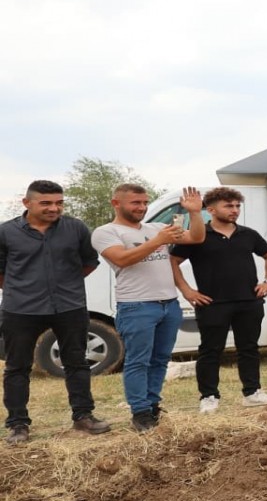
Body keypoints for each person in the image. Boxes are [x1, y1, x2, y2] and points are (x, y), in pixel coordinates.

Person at [1, 180, 111, 444]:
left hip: (69, 306)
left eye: (59, 203)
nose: (54, 208)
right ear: (27, 203)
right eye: (46, 203)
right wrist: (23, 288)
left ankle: (83, 416)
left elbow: (89, 263)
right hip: (21, 309)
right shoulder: (5, 233)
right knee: (17, 367)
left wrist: (67, 284)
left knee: (77, 362)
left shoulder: (75, 228)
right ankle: (18, 424)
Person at [93, 184, 206, 432]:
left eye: (144, 202)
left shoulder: (155, 228)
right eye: (135, 203)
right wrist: (158, 242)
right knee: (138, 361)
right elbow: (122, 259)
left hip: (168, 304)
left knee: (160, 359)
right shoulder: (106, 232)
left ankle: (153, 405)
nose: (142, 207)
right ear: (116, 203)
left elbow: (197, 237)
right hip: (136, 305)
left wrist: (195, 213)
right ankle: (140, 412)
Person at [170, 187, 267, 414]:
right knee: (210, 350)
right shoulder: (197, 235)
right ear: (211, 209)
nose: (234, 210)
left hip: (248, 301)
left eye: (237, 206)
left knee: (249, 348)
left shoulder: (247, 234)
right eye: (228, 206)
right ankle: (209, 397)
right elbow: (172, 261)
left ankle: (252, 393)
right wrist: (187, 290)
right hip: (212, 303)